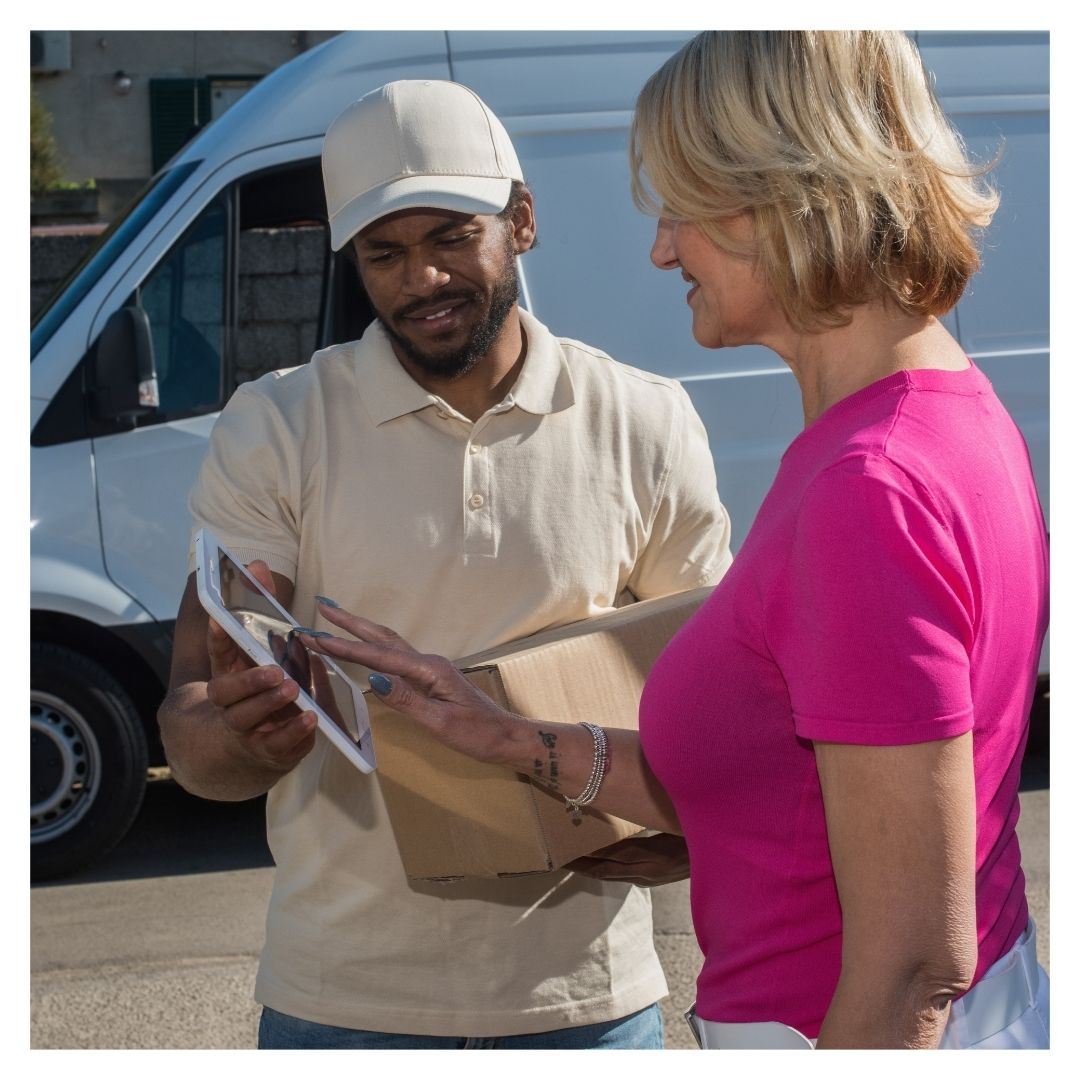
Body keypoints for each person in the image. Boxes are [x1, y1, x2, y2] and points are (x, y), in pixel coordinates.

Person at [297, 33, 1050, 1049]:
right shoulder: (938, 414)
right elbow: (803, 790)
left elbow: (915, 961)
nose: (661, 248)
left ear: (789, 196)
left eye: (685, 206)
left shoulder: (865, 487)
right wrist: (513, 740)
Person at [157, 78, 732, 1049]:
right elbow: (191, 726)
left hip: (586, 1005)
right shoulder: (278, 425)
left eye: (449, 239)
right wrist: (242, 743)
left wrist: (680, 833)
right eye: (385, 254)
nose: (420, 279)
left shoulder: (646, 420)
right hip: (341, 1004)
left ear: (523, 219)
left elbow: (722, 705)